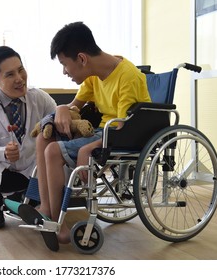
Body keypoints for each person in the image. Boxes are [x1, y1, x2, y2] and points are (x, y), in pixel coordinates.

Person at [35, 22, 151, 244]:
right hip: (103, 131)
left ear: (81, 58)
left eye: (64, 64)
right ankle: (47, 207)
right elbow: (74, 105)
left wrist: (89, 148)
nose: (64, 71)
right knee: (44, 137)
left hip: (123, 133)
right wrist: (61, 109)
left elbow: (124, 127)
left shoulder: (129, 77)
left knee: (52, 152)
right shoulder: (93, 74)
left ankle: (59, 224)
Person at [0, 46, 57, 229]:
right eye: (10, 75)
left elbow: (58, 126)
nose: (20, 79)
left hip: (33, 168)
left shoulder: (40, 99)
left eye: (21, 70)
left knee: (54, 167)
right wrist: (2, 153)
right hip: (2, 171)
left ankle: (19, 200)